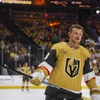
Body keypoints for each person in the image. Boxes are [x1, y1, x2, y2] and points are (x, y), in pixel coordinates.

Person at [30, 24, 100, 100]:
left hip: (74, 95)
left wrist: (94, 90)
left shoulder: (84, 53)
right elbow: (47, 65)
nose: (78, 36)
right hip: (55, 94)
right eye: (76, 33)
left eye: (80, 34)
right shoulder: (58, 48)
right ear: (69, 34)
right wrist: (40, 74)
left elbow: (88, 74)